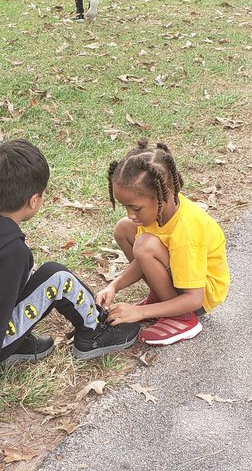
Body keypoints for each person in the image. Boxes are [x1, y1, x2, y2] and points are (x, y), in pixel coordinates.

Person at [0, 139, 140, 401]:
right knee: (57, 277)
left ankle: (18, 343)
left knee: (24, 281)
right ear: (33, 200)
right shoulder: (11, 254)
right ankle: (95, 333)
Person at [97, 140, 230, 347]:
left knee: (145, 245)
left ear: (164, 194)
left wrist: (140, 312)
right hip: (179, 275)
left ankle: (182, 318)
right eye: (125, 206)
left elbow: (195, 298)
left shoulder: (187, 228)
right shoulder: (157, 212)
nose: (131, 214)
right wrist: (114, 286)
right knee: (124, 228)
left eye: (136, 208)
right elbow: (141, 261)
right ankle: (163, 298)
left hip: (199, 297)